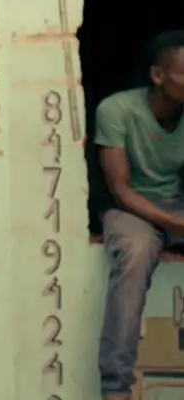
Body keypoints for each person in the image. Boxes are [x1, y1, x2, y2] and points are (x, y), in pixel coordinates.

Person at [96, 29, 184, 400]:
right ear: (158, 75)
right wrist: (176, 224)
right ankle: (116, 389)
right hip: (129, 208)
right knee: (135, 252)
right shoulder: (117, 110)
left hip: (174, 203)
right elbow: (120, 190)